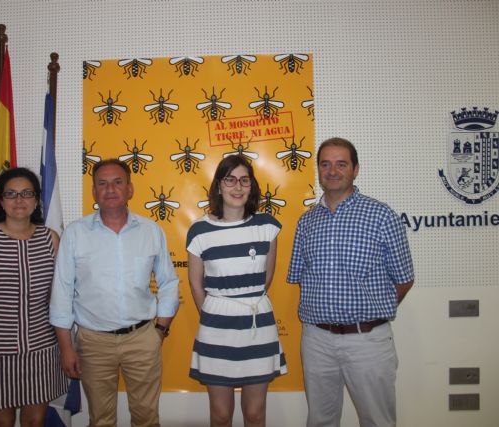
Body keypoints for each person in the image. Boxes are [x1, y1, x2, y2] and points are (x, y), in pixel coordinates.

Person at [287, 137, 414, 427]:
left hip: (368, 341)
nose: (332, 171)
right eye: (325, 164)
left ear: (355, 169)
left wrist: (371, 312)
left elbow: (404, 279)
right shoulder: (307, 222)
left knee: (377, 421)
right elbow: (301, 278)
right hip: (317, 340)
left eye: (341, 164)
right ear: (319, 169)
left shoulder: (381, 216)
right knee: (320, 420)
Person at [49, 158, 179, 427]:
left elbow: (168, 282)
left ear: (130, 189)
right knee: (101, 420)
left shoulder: (151, 231)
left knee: (147, 418)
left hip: (142, 339)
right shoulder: (75, 233)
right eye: (102, 183)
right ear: (94, 191)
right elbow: (61, 291)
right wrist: (66, 348)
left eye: (118, 182)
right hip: (93, 342)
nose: (110, 189)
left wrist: (160, 331)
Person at [0, 167, 68, 427]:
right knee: (1, 422)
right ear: (1, 201)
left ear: (36, 200)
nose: (19, 200)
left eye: (27, 193)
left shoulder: (51, 239)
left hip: (41, 349)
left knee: (35, 421)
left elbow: (57, 296)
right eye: (11, 194)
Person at [186, 155, 287, 427]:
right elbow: (195, 282)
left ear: (252, 186)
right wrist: (215, 312)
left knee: (255, 413)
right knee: (220, 415)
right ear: (219, 186)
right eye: (230, 179)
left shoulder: (267, 226)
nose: (237, 186)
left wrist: (243, 302)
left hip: (257, 324)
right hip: (216, 326)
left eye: (244, 180)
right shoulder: (199, 230)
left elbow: (267, 278)